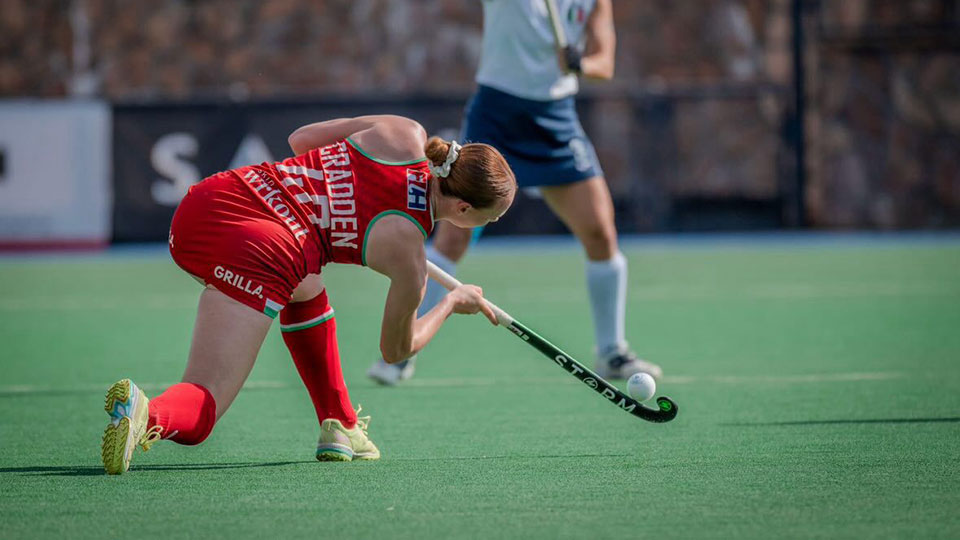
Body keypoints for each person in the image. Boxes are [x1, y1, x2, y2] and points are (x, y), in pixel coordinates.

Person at [100, 114, 517, 474]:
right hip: (265, 248)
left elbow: (300, 140)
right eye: (490, 219)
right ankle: (144, 413)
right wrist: (450, 302)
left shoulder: (402, 132)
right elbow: (396, 350)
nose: (486, 223)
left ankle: (339, 423)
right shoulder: (407, 254)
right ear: (463, 210)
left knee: (307, 288)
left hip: (213, 199)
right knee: (201, 414)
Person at [367, 0, 662, 386]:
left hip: (555, 118)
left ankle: (612, 351)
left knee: (600, 233)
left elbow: (604, 63)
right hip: (497, 114)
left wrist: (579, 64)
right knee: (454, 238)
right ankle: (401, 353)